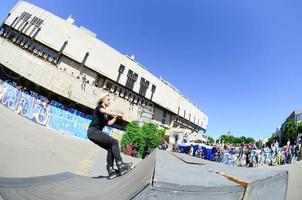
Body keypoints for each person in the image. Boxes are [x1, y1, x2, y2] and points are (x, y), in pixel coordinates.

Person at [87, 93, 134, 179]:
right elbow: (104, 111)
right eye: (108, 100)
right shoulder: (99, 108)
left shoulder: (105, 115)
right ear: (103, 100)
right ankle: (121, 165)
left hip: (94, 133)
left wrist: (115, 117)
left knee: (111, 148)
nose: (109, 101)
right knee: (115, 142)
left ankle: (111, 170)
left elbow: (109, 123)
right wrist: (117, 114)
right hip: (93, 132)